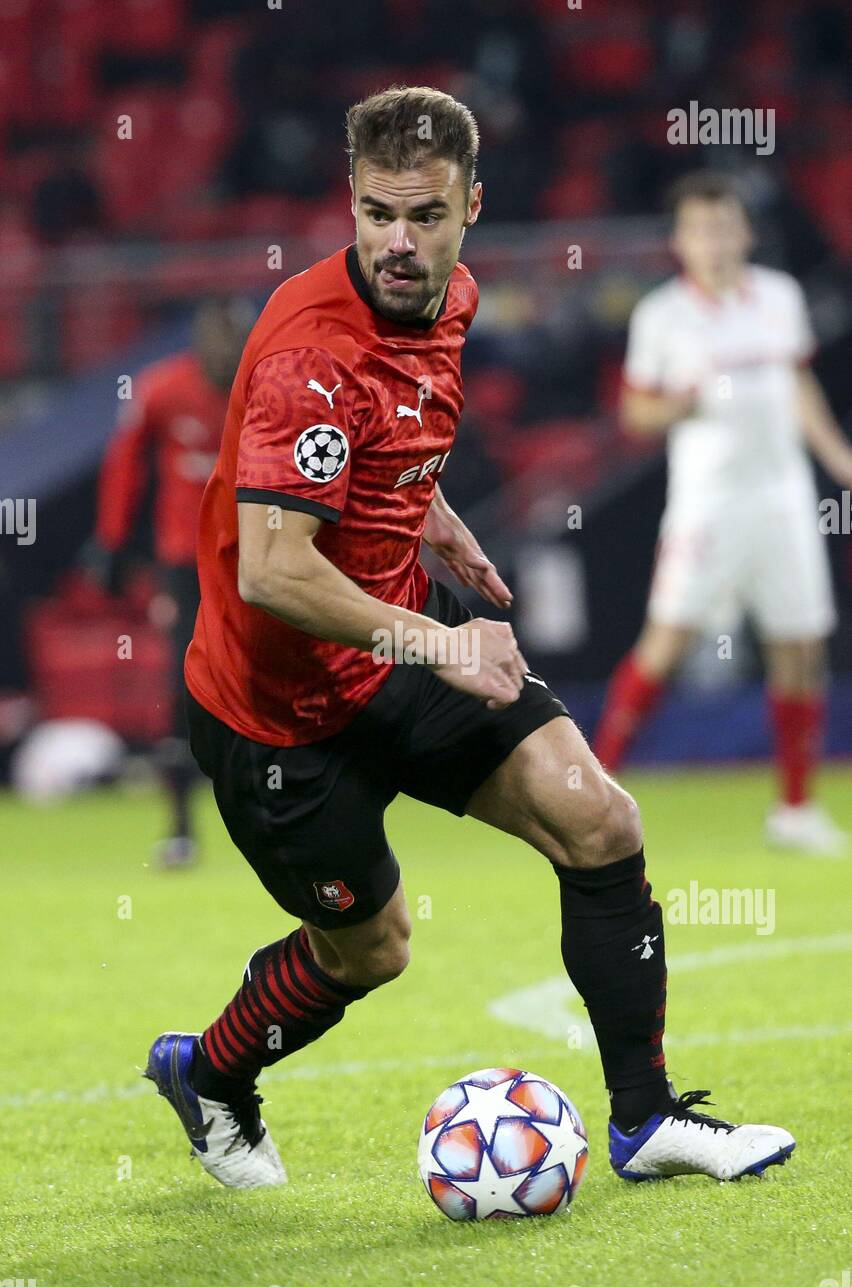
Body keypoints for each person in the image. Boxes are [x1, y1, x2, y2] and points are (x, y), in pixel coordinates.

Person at [145, 88, 794, 1193]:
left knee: (599, 819)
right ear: (349, 205)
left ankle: (643, 1122)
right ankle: (207, 1072)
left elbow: (392, 445)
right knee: (376, 949)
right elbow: (273, 568)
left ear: (472, 208)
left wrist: (436, 523)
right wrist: (444, 646)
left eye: (426, 217)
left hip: (399, 632)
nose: (399, 244)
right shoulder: (311, 353)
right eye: (376, 214)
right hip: (277, 713)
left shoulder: (451, 300)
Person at [594, 172, 852, 855]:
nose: (714, 239)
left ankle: (795, 810)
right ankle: (590, 794)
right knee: (667, 643)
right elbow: (636, 411)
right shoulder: (662, 317)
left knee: (800, 646)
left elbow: (797, 383)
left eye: (724, 225)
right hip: (708, 506)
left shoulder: (778, 297)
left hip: (785, 498)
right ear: (680, 241)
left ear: (745, 231)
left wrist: (838, 456)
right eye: (700, 228)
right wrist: (683, 401)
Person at [85, 298, 253, 865]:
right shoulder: (161, 390)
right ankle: (181, 827)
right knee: (184, 690)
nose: (224, 360)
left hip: (259, 559)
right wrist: (111, 542)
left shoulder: (267, 392)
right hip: (187, 564)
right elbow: (124, 466)